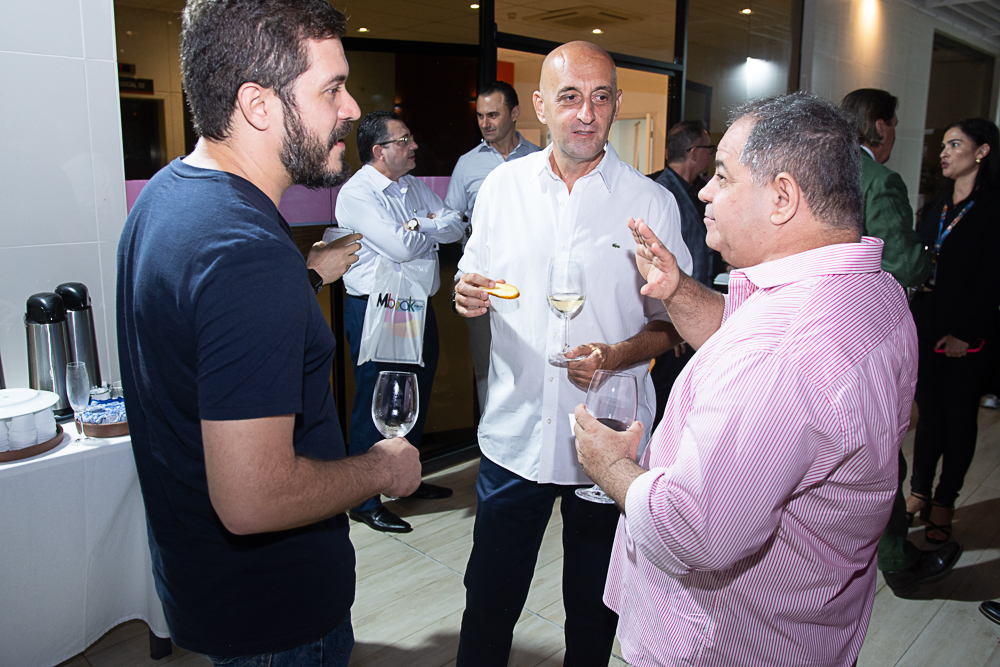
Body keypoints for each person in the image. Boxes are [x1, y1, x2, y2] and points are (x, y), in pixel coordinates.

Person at [116, 1, 422, 664]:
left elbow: (210, 332)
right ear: (257, 104)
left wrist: (305, 276)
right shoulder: (246, 254)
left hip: (208, 589)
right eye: (331, 90)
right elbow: (253, 499)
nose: (351, 109)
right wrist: (382, 467)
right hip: (277, 613)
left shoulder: (167, 197)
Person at [574, 92, 919, 665]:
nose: (705, 192)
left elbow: (696, 530)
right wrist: (678, 289)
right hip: (807, 628)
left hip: (724, 642)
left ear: (782, 197)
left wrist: (610, 467)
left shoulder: (782, 350)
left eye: (724, 176)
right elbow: (742, 332)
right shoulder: (872, 290)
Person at [453, 41, 691, 666]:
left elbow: (674, 326)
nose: (586, 113)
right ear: (539, 105)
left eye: (600, 97)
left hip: (608, 443)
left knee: (592, 614)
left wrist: (616, 354)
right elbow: (473, 275)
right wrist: (464, 292)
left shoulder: (651, 204)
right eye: (569, 97)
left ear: (616, 104)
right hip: (514, 435)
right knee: (488, 604)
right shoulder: (501, 189)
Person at [840, 88, 960, 596]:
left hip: (821, 323)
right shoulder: (880, 180)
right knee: (883, 447)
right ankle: (896, 560)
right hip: (866, 327)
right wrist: (928, 255)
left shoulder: (823, 168)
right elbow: (901, 261)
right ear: (881, 126)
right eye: (893, 123)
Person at [335, 110, 464, 533]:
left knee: (414, 393)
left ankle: (404, 480)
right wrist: (425, 232)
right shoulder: (358, 194)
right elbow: (402, 247)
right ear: (378, 151)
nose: (414, 147)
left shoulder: (413, 186)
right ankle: (364, 497)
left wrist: (419, 225)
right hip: (379, 308)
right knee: (377, 400)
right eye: (404, 140)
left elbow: (454, 226)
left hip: (415, 305)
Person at [906, 118, 1000, 544]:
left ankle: (945, 501)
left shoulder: (993, 208)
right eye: (943, 145)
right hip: (927, 322)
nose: (943, 153)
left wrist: (965, 331)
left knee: (958, 418)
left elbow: (991, 279)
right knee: (929, 416)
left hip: (968, 332)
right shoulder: (938, 207)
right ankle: (920, 492)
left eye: (955, 145)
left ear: (982, 151)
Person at [446, 81, 541, 414]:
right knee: (487, 373)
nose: (485, 123)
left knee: (532, 369)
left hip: (531, 286)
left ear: (514, 113)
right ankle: (490, 438)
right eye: (480, 116)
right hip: (484, 285)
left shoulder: (540, 159)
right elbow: (453, 220)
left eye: (493, 115)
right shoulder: (467, 164)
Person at [648, 120, 716, 430]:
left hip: (696, 310)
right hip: (677, 315)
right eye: (708, 149)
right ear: (694, 152)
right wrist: (673, 318)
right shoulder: (660, 193)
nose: (710, 156)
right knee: (667, 394)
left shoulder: (699, 191)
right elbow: (655, 264)